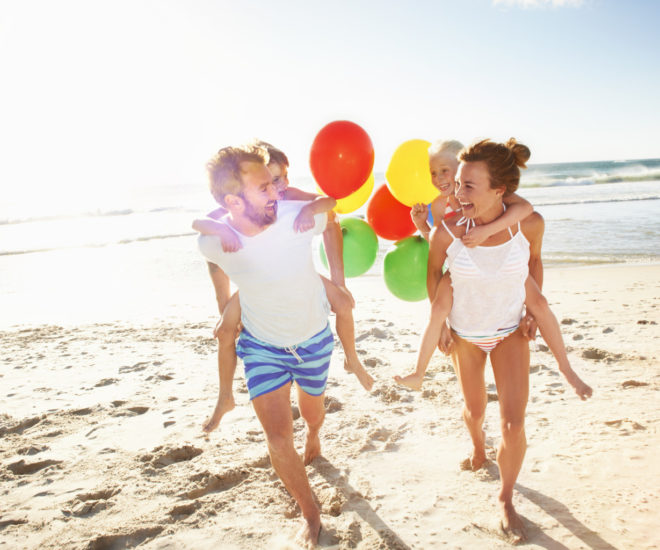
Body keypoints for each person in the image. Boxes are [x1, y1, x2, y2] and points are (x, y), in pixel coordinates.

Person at [423, 138, 592, 543]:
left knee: (514, 425)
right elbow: (432, 273)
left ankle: (506, 497)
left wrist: (532, 310)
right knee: (475, 409)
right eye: (457, 182)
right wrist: (442, 324)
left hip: (510, 332)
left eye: (468, 186)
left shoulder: (528, 223)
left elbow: (534, 261)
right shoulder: (446, 232)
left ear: (500, 191)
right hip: (465, 333)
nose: (455, 192)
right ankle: (478, 445)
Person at [197, 143, 335, 547]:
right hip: (262, 347)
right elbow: (212, 256)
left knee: (312, 411)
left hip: (312, 339)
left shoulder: (299, 218)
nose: (276, 193)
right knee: (277, 438)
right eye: (263, 188)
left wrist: (339, 283)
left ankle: (315, 434)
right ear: (232, 202)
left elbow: (335, 217)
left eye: (272, 184)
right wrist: (225, 310)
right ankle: (311, 514)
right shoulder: (215, 242)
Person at [195, 141, 373, 435]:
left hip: (296, 276)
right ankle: (225, 396)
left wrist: (338, 280)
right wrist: (224, 303)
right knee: (225, 331)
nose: (280, 186)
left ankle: (352, 358)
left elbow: (329, 207)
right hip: (255, 285)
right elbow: (203, 233)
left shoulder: (287, 198)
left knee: (344, 304)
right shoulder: (241, 204)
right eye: (271, 181)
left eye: (280, 179)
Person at [411, 139, 534, 248]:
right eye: (433, 173)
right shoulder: (439, 206)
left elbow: (526, 207)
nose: (439, 178)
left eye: (444, 170)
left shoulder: (487, 193)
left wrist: (486, 231)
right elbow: (440, 247)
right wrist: (421, 225)